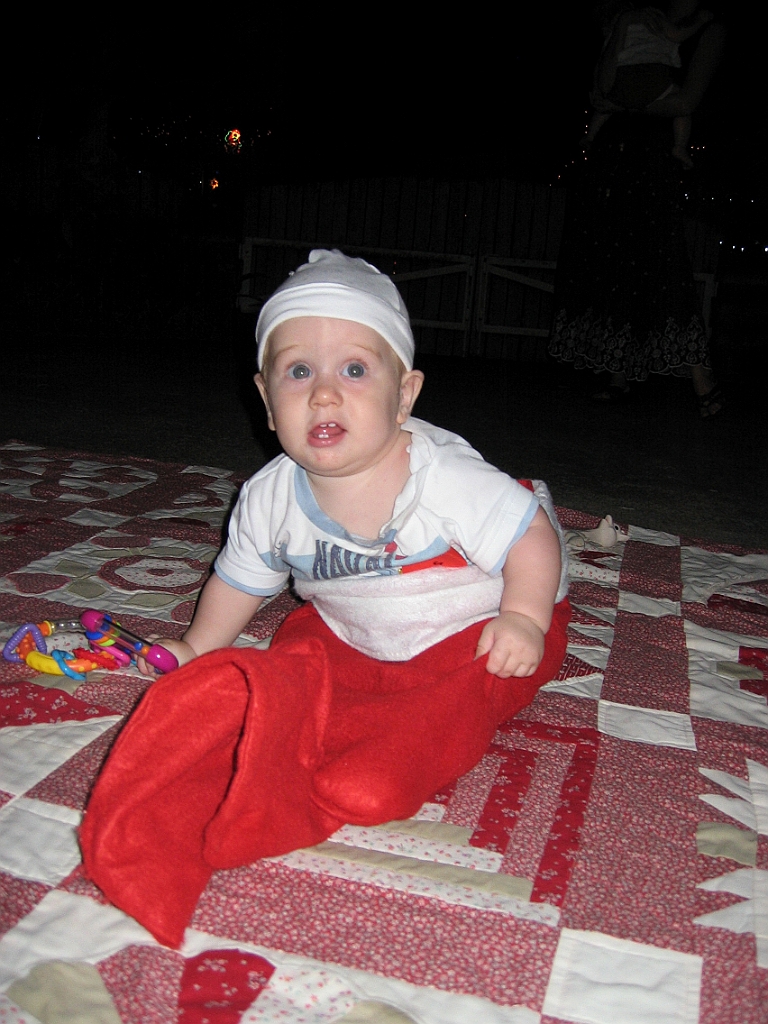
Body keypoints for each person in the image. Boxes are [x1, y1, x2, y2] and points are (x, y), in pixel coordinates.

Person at [80, 249, 571, 949]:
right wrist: (197, 646)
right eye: (299, 371)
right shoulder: (269, 496)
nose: (324, 395)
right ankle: (280, 733)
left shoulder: (445, 477)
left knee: (467, 688)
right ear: (265, 397)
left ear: (405, 394)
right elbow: (238, 580)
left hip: (475, 618)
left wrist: (525, 615)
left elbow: (531, 537)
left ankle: (396, 754)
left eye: (355, 370)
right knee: (294, 651)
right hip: (352, 622)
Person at [583, 2, 715, 169]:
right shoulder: (650, 15)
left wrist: (597, 87)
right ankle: (680, 146)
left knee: (604, 105)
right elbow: (677, 35)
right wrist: (700, 20)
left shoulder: (614, 29)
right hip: (651, 74)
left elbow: (603, 63)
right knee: (681, 106)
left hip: (619, 79)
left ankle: (590, 136)